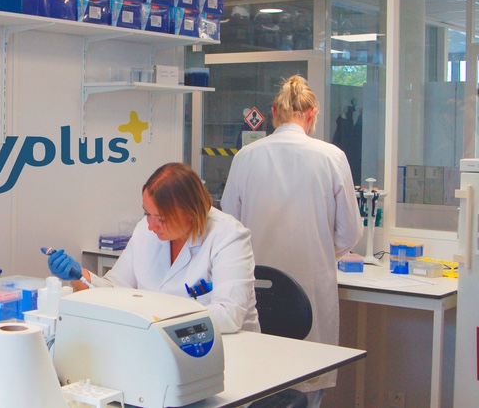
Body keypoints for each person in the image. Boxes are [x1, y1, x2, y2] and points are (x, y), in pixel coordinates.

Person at [220, 75, 362, 407]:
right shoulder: (331, 157)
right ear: (312, 115)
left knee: (258, 383)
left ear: (274, 113)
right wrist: (322, 252)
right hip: (310, 285)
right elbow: (349, 233)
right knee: (307, 382)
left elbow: (230, 223)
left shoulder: (246, 156)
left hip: (255, 286)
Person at [48, 162, 260, 334]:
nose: (150, 225)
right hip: (161, 343)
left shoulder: (228, 236)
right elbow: (116, 288)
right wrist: (80, 276)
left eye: (161, 218)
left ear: (190, 213)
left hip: (227, 348)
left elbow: (228, 315)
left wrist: (156, 315)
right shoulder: (146, 230)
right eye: (147, 213)